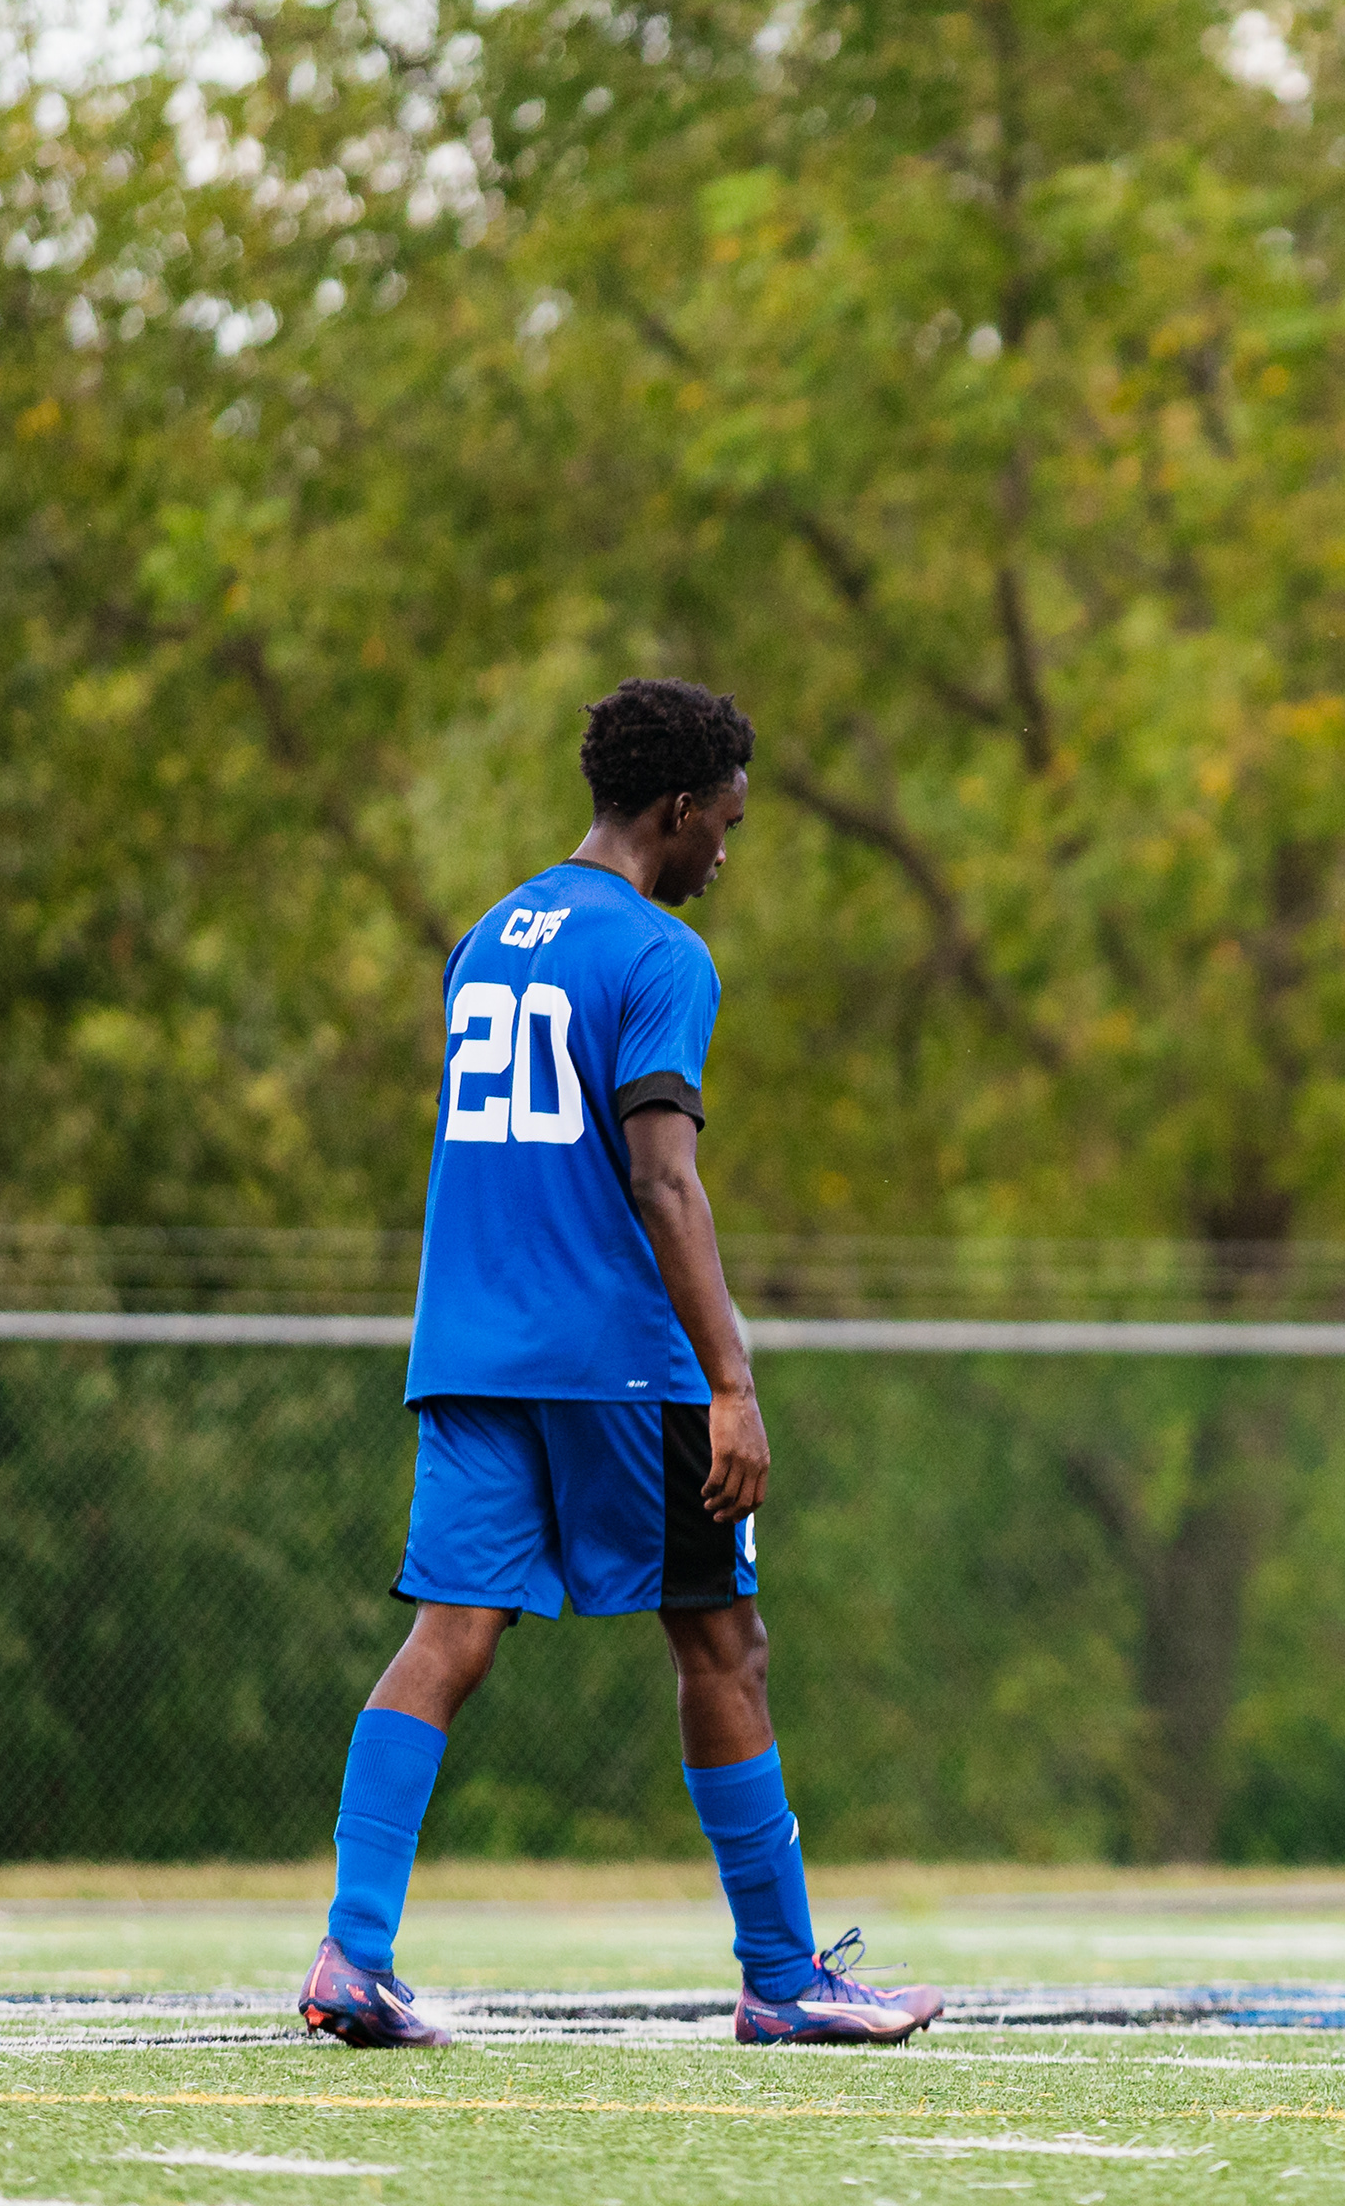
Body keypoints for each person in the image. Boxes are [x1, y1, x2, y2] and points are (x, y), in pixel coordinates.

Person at [297, 678, 941, 2050]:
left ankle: (352, 1952)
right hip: (618, 1363)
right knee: (723, 1643)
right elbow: (662, 1179)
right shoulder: (660, 955)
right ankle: (783, 1978)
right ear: (677, 809)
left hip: (471, 1348)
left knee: (448, 1638)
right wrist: (732, 1383)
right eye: (727, 825)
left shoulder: (488, 938)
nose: (727, 852)